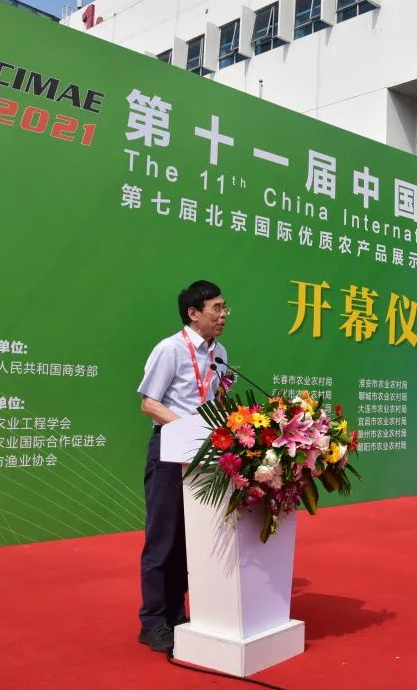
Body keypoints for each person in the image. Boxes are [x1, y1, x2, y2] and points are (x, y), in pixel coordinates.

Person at [135, 280, 230, 654]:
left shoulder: (219, 352)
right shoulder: (170, 349)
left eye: (225, 308)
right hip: (170, 449)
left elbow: (212, 398)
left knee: (189, 539)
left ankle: (176, 613)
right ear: (193, 313)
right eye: (216, 309)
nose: (223, 315)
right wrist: (189, 428)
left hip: (203, 453)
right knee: (163, 538)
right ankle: (153, 621)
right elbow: (149, 403)